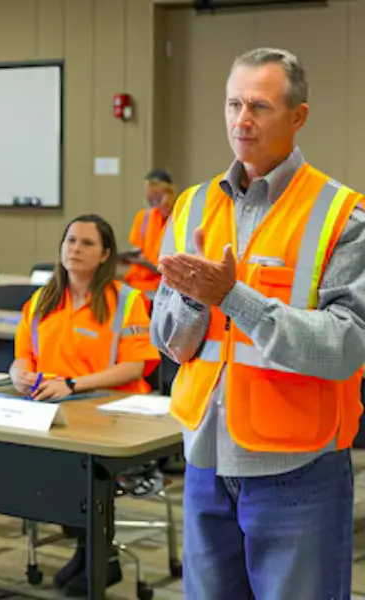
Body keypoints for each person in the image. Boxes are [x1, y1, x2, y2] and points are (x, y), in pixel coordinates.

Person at [151, 47, 365, 599]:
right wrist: (197, 302)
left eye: (260, 106)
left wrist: (234, 297)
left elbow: (346, 345)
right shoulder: (193, 207)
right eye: (234, 104)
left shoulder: (342, 215)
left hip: (298, 469)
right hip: (203, 460)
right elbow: (169, 344)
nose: (242, 120)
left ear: (298, 117)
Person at [10, 214, 161, 596]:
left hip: (112, 413)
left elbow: (136, 364)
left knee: (73, 472)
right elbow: (23, 355)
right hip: (52, 408)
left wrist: (73, 385)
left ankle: (96, 554)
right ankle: (90, 550)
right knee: (39, 472)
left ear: (105, 253)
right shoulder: (42, 299)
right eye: (70, 241)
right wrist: (19, 373)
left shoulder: (126, 301)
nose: (75, 249)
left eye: (86, 243)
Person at [120, 170, 177, 303]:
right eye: (151, 200)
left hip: (165, 285)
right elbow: (137, 250)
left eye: (158, 198)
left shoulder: (180, 218)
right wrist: (130, 258)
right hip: (139, 282)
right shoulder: (144, 217)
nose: (155, 204)